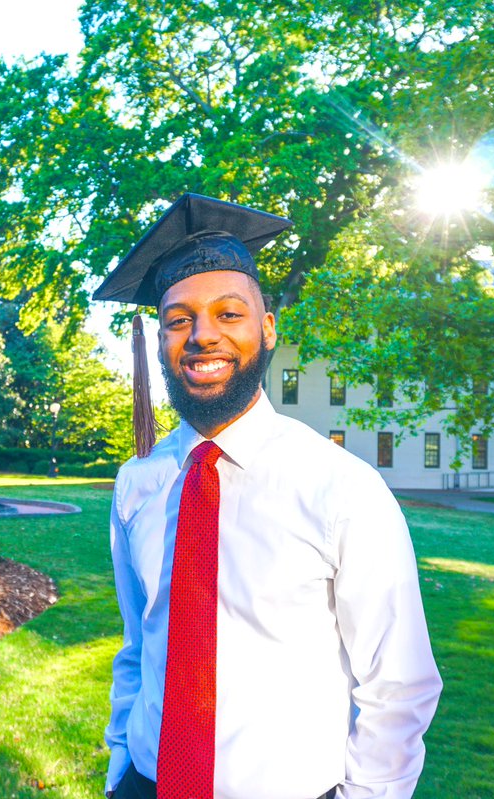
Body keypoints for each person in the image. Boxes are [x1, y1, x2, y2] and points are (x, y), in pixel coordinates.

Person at [93, 194, 442, 799]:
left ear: (267, 326)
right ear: (159, 340)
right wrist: (120, 763)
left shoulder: (341, 487)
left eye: (229, 314)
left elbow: (398, 683)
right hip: (147, 783)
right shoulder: (137, 484)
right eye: (179, 319)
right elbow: (139, 643)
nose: (203, 336)